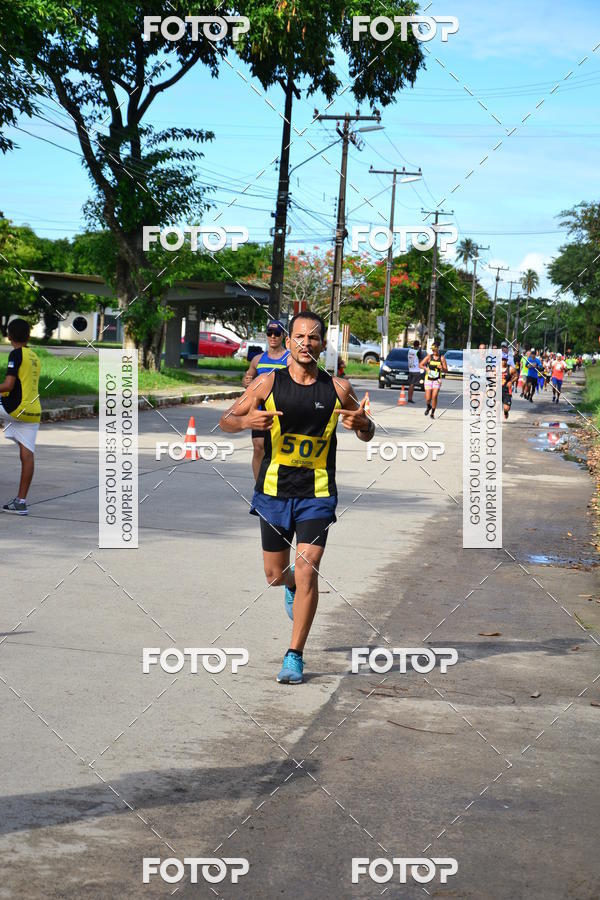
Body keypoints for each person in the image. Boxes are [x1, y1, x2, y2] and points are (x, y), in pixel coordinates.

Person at [219, 310, 374, 685]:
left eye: (314, 338)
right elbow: (226, 419)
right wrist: (244, 423)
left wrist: (363, 424)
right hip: (273, 491)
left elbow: (366, 432)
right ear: (288, 342)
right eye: (300, 337)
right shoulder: (267, 384)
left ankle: (294, 655)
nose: (306, 343)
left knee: (308, 566)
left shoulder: (338, 388)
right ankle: (288, 586)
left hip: (317, 493)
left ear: (322, 345)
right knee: (276, 575)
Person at [0, 318, 42, 515]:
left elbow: (8, 386)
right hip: (33, 412)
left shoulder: (16, 354)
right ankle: (21, 502)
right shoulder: (35, 356)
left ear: (9, 337)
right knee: (27, 454)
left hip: (16, 409)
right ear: (28, 336)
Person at [242, 320, 290, 480]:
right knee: (258, 447)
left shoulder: (290, 359)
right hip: (260, 412)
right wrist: (246, 382)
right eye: (270, 333)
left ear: (283, 336)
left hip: (283, 412)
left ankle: (280, 484)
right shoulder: (257, 359)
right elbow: (247, 379)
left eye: (277, 333)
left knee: (280, 451)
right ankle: (259, 487)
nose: (273, 336)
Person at [419, 343, 447, 419]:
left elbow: (446, 370)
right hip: (428, 379)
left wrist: (442, 368)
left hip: (437, 380)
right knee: (428, 398)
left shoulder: (442, 358)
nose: (434, 351)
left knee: (434, 396)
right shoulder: (429, 357)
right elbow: (420, 364)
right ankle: (428, 406)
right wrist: (426, 368)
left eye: (435, 350)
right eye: (432, 350)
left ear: (438, 349)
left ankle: (432, 413)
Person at [501, 356, 517, 420]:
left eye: (505, 360)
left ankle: (505, 412)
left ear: (507, 360)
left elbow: (516, 376)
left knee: (506, 408)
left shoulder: (510, 369)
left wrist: (511, 381)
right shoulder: (496, 368)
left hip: (507, 390)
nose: (503, 361)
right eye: (502, 360)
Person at [407, 339, 421, 404]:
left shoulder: (409, 351)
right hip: (416, 370)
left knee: (411, 385)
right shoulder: (418, 352)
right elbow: (420, 361)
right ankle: (410, 398)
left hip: (410, 369)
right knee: (412, 385)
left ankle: (409, 398)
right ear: (418, 345)